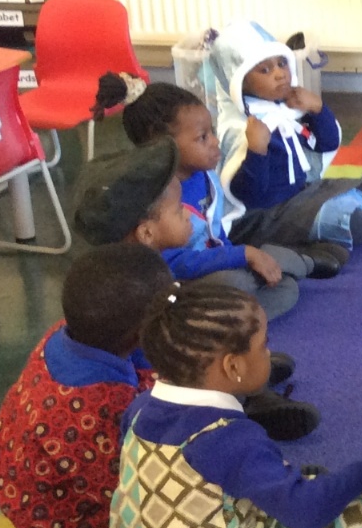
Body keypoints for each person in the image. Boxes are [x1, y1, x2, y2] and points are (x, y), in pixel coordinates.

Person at [108, 285, 362, 528]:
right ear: (232, 366)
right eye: (264, 345)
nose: (269, 353)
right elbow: (306, 511)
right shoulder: (229, 438)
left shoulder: (138, 409)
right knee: (359, 510)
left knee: (302, 483)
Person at [73, 140, 320, 442]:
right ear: (147, 232)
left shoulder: (133, 268)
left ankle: (248, 373)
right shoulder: (139, 289)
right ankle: (249, 397)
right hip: (151, 396)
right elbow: (161, 369)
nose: (189, 216)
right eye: (179, 211)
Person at [91, 75, 328, 321]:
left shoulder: (204, 176)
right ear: (161, 143)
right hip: (182, 286)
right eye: (202, 137)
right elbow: (173, 264)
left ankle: (291, 272)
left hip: (217, 265)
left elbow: (217, 235)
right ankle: (222, 318)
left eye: (211, 132)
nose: (215, 142)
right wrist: (241, 256)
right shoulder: (155, 195)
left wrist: (241, 256)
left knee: (284, 288)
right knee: (236, 281)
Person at [203, 19, 362, 257]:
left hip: (302, 195)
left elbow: (326, 144)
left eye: (282, 63)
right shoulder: (240, 129)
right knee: (351, 220)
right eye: (265, 70)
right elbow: (250, 195)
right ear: (238, 81)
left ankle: (320, 244)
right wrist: (256, 151)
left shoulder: (286, 110)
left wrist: (318, 110)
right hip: (263, 217)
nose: (280, 74)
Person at [0, 244, 170, 528]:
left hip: (16, 467)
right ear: (140, 334)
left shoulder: (66, 330)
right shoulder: (105, 407)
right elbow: (122, 486)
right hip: (50, 516)